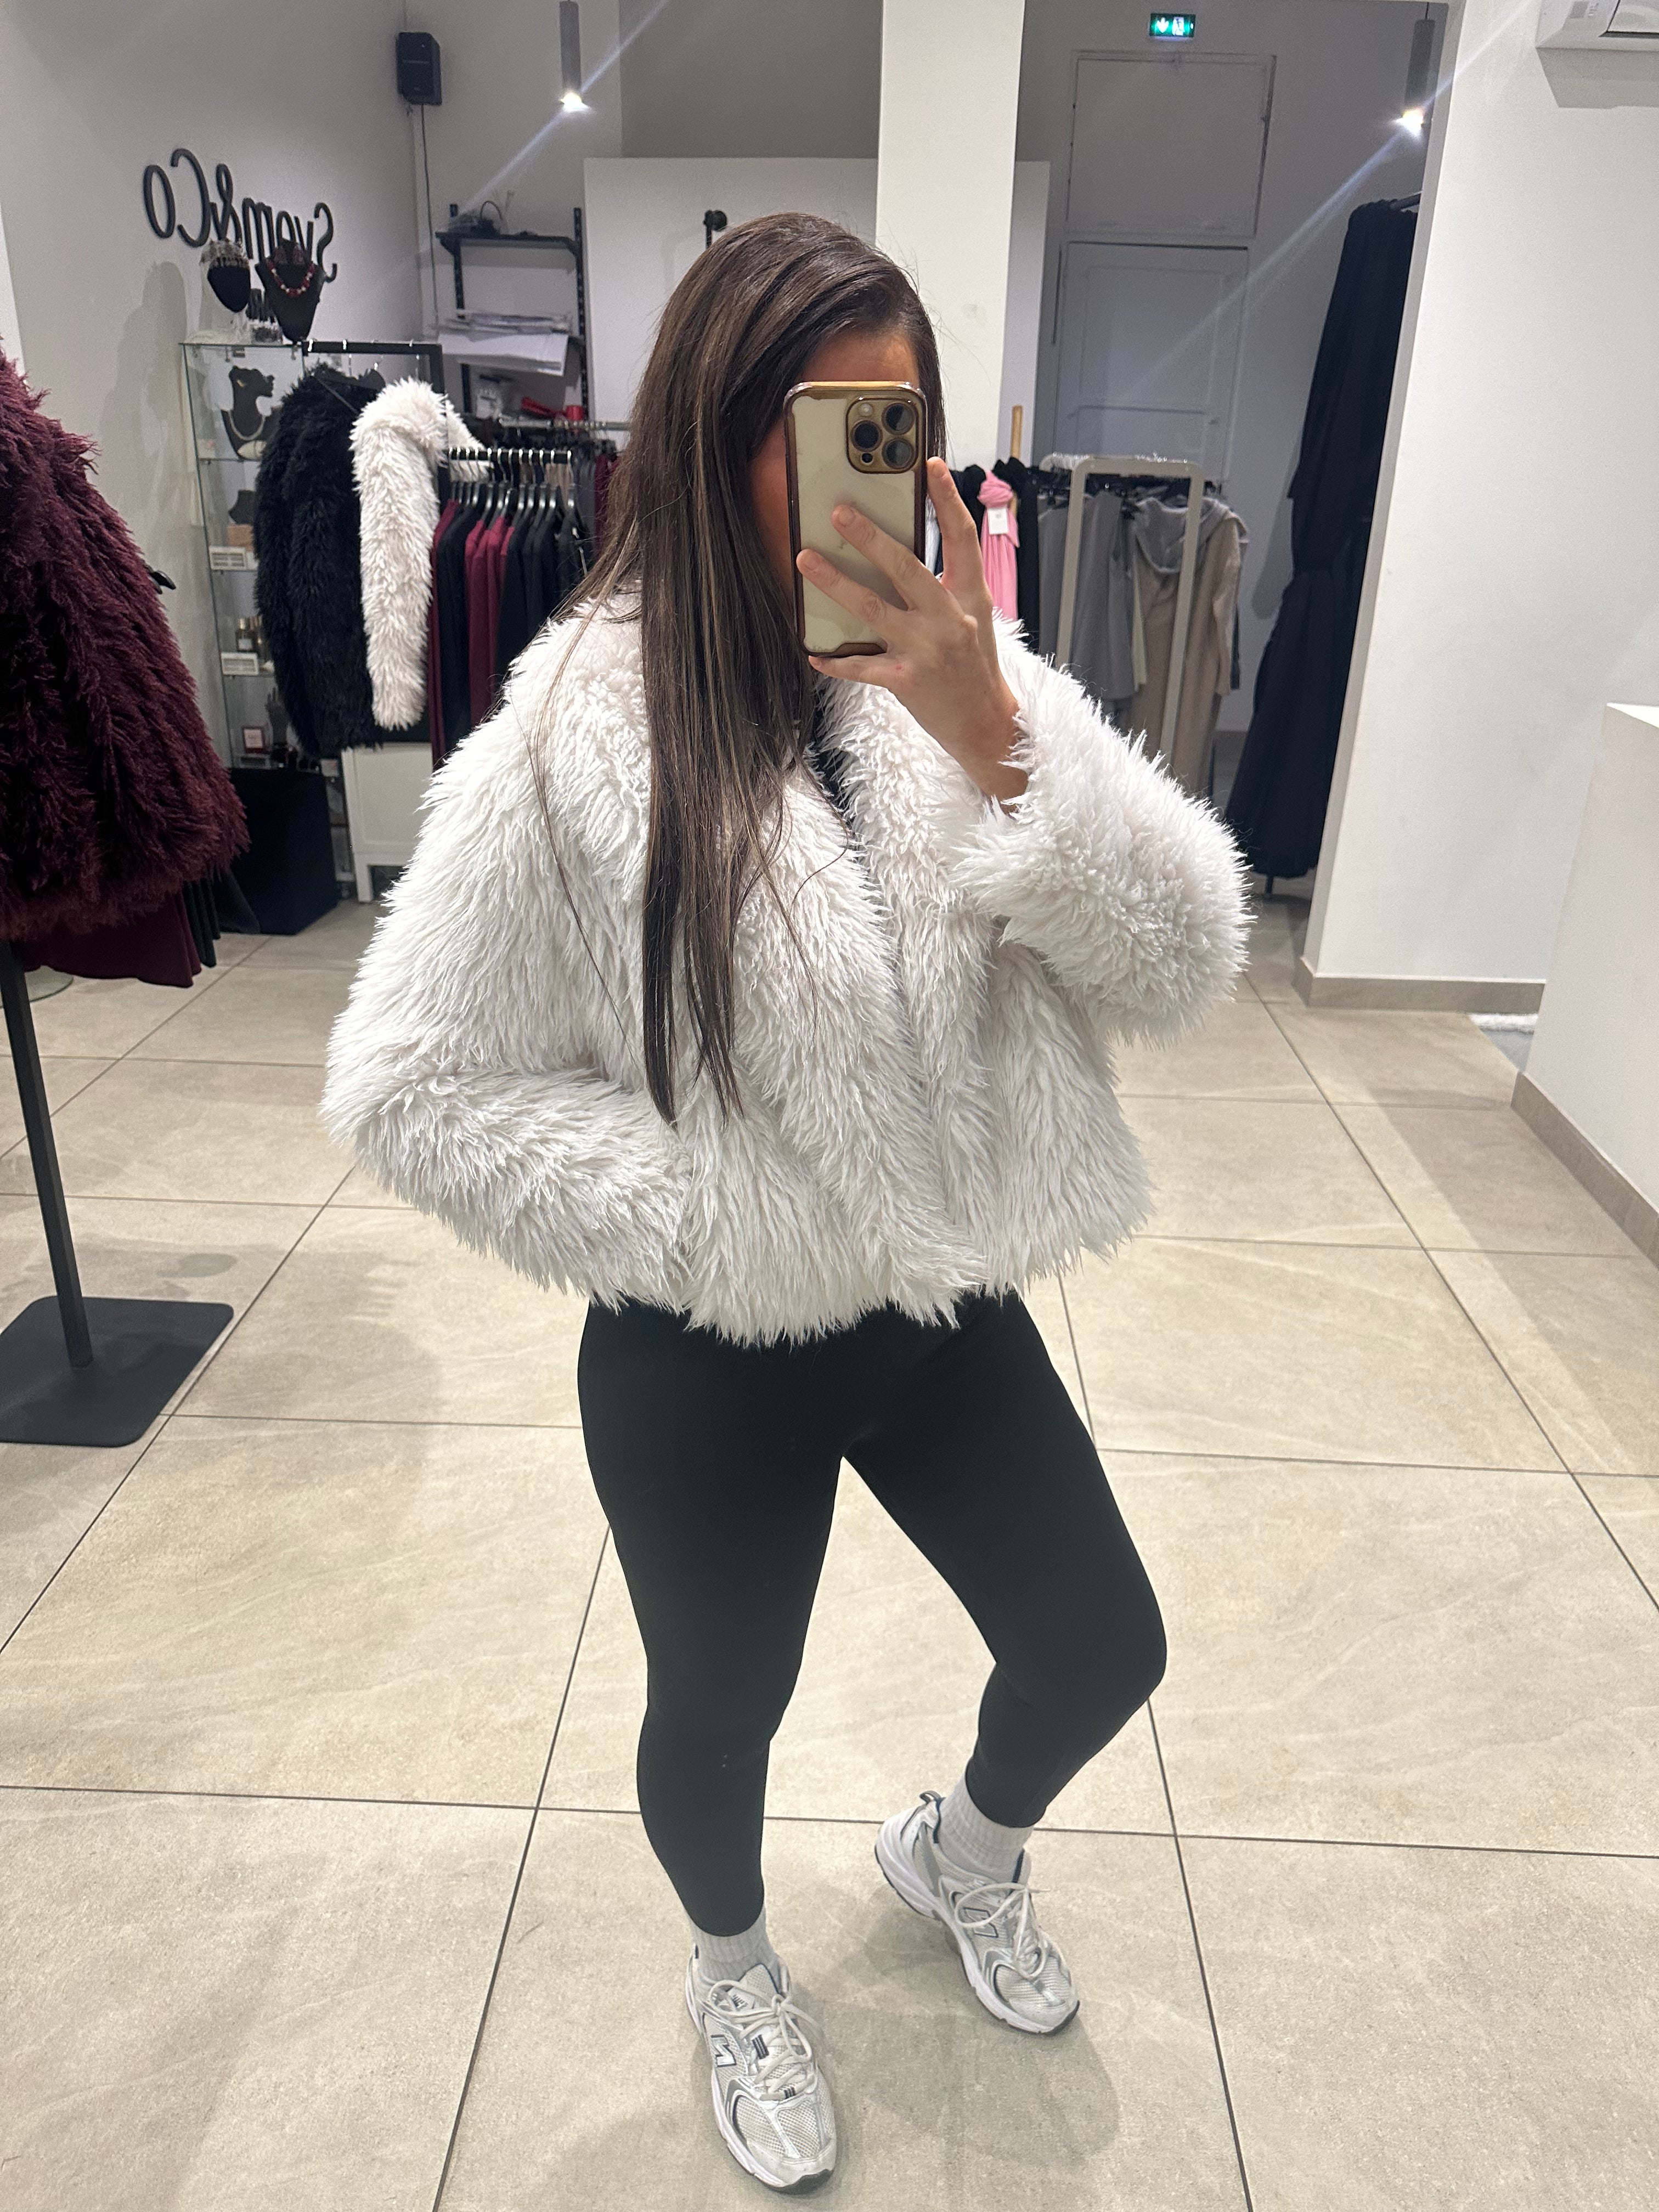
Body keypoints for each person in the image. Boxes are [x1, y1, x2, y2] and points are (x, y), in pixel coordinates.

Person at [323, 213, 1246, 2193]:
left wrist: (995, 734)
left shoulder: (973, 682)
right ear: (715, 430)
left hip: (934, 1310)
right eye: (827, 421)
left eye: (899, 421)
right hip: (706, 1344)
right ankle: (734, 1970)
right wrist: (704, 1218)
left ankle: (962, 1854)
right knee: (723, 1705)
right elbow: (407, 1081)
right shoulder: (568, 733)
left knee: (1103, 1644)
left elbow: (1185, 957)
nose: (873, 467)